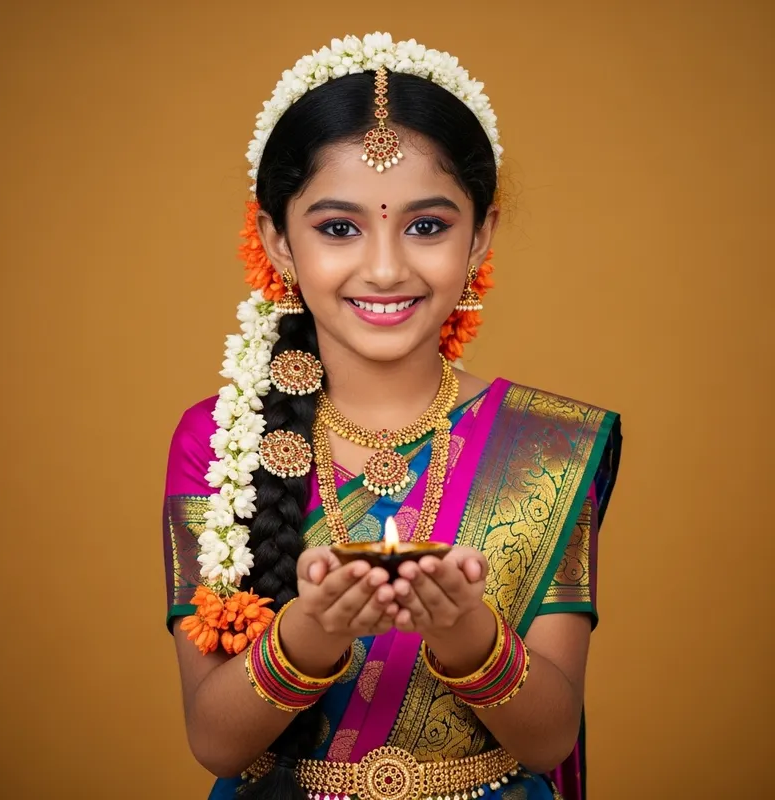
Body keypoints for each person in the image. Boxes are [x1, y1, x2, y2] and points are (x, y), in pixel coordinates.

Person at [162, 32, 622, 800]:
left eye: (427, 226)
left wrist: (463, 632)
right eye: (338, 228)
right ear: (276, 239)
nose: (384, 267)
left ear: (481, 235)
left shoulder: (548, 447)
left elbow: (549, 739)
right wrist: (312, 634)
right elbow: (214, 742)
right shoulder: (216, 443)